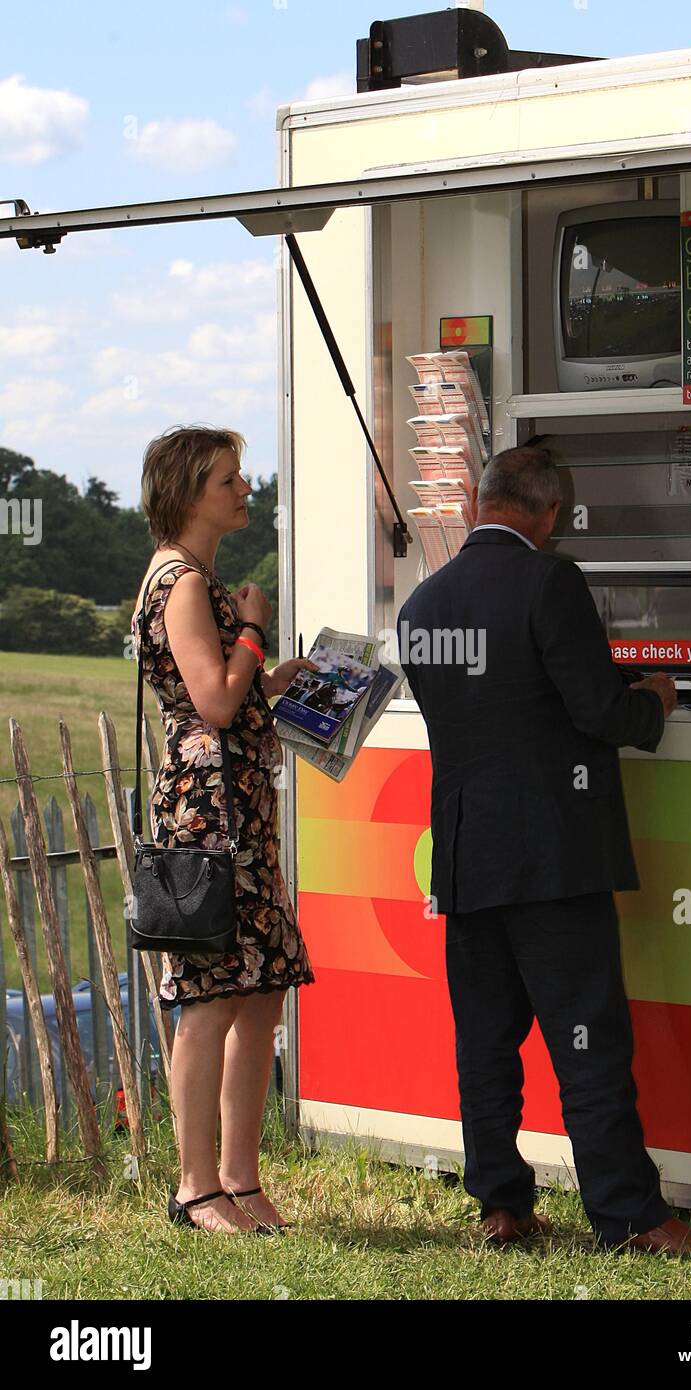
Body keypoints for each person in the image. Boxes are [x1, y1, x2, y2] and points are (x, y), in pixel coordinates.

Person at [397, 446, 691, 1255]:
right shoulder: (551, 581)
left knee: (485, 1044)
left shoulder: (422, 602)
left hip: (466, 859)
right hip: (551, 856)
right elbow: (594, 712)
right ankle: (629, 1218)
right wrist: (649, 700)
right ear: (548, 513)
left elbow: (485, 717)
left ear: (482, 503)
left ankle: (501, 1206)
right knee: (587, 1041)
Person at [132, 424, 319, 1234]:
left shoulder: (193, 577)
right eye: (228, 481)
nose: (245, 489)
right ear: (186, 493)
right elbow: (209, 701)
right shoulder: (182, 582)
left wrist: (268, 679)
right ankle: (196, 1185)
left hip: (236, 812)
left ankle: (239, 1179)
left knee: (260, 985)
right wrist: (251, 628)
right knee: (211, 995)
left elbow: (221, 692)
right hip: (212, 819)